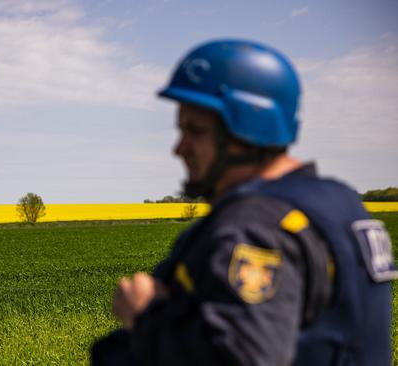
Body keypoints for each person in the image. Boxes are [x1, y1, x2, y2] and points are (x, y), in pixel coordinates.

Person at [91, 40, 396, 365]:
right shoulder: (341, 201)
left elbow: (243, 357)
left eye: (195, 131)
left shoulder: (256, 225)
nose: (179, 149)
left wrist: (146, 316)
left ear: (247, 131)